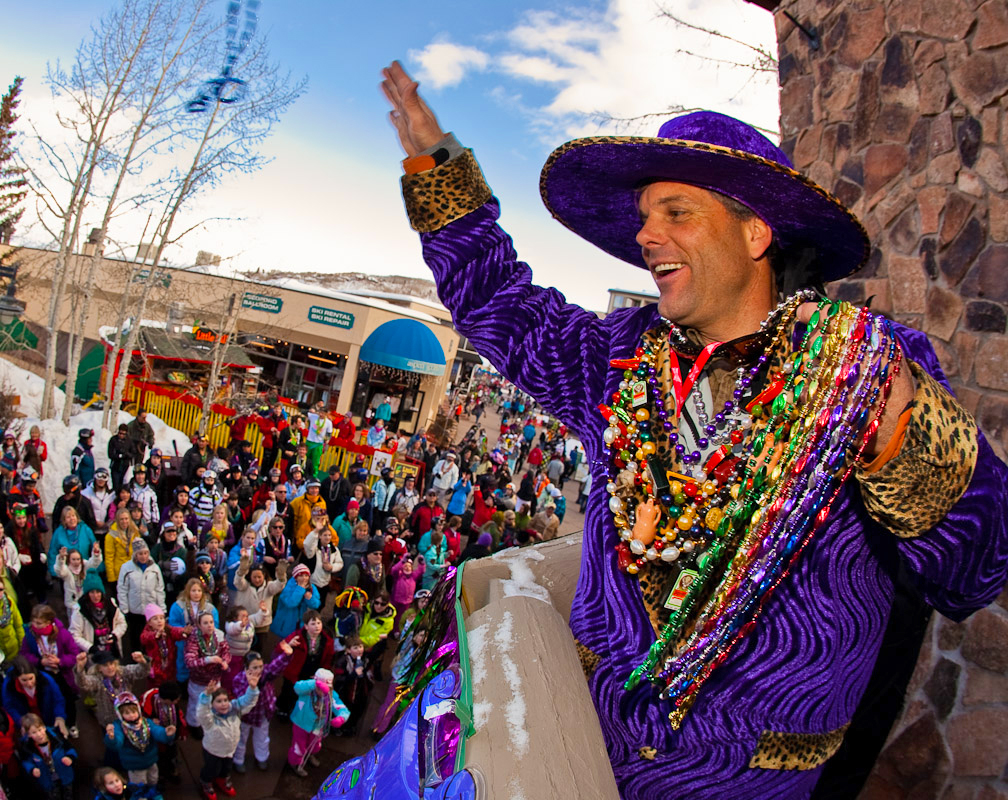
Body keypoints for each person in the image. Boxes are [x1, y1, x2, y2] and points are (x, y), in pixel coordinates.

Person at [382, 61, 1008, 795]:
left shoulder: (864, 371)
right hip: (589, 748)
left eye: (676, 211)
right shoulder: (618, 358)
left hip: (743, 782)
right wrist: (436, 166)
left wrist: (899, 440)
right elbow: (501, 306)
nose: (645, 235)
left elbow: (977, 572)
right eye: (645, 215)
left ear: (754, 233)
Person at [194, 672, 260, 799]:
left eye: (225, 700)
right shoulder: (210, 719)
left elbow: (247, 702)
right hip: (213, 750)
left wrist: (252, 688)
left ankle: (222, 779)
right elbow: (202, 713)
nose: (223, 704)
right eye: (218, 701)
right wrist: (206, 696)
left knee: (226, 767)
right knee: (211, 769)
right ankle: (206, 782)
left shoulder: (235, 710)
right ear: (211, 704)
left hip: (230, 750)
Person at [20, 605, 81, 738]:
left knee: (68, 699)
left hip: (62, 674)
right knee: (48, 700)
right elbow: (24, 654)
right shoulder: (30, 636)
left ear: (48, 622)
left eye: (39, 623)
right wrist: (39, 662)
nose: (35, 625)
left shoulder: (62, 634)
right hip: (42, 674)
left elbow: (74, 654)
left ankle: (71, 723)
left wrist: (60, 661)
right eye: (34, 622)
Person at [103, 692, 174, 788]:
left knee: (153, 779)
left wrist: (166, 733)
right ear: (120, 714)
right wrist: (112, 737)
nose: (132, 715)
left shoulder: (146, 722)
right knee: (139, 785)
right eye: (127, 713)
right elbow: (117, 744)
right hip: (134, 765)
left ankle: (153, 793)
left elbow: (157, 731)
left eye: (134, 712)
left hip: (151, 760)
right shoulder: (119, 726)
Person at [288, 668, 348, 777]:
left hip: (317, 727)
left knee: (315, 745)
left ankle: (310, 754)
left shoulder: (331, 695)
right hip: (301, 724)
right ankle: (296, 764)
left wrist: (341, 718)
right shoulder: (307, 691)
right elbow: (297, 687)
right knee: (299, 747)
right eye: (320, 688)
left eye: (328, 688)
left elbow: (342, 708)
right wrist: (314, 684)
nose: (323, 692)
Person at [275, 609, 334, 717]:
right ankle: (283, 709)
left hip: (312, 671)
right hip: (295, 671)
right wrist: (290, 644)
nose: (317, 626)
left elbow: (328, 659)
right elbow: (279, 648)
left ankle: (298, 712)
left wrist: (321, 673)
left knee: (307, 694)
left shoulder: (327, 641)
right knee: (288, 691)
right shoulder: (298, 636)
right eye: (313, 623)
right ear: (306, 626)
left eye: (319, 623)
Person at [75, 650, 150, 729]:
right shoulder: (97, 680)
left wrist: (142, 661)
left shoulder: (123, 672)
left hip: (130, 716)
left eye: (111, 664)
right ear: (99, 668)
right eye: (105, 665)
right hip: (110, 722)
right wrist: (80, 669)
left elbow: (142, 671)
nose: (110, 668)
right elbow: (84, 683)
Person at [117, 540, 165, 653]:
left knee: (152, 640)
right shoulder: (126, 568)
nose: (143, 556)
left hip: (151, 612)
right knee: (136, 639)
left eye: (145, 553)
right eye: (140, 554)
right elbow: (122, 589)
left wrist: (162, 608)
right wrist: (124, 609)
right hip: (135, 611)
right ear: (135, 554)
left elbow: (159, 589)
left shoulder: (155, 568)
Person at [18, 713, 76, 800]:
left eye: (40, 729)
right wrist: (32, 769)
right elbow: (26, 761)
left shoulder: (57, 736)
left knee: (69, 795)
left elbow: (70, 748)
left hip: (65, 774)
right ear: (29, 734)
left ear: (44, 727)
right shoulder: (27, 747)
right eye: (34, 732)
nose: (39, 734)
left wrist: (70, 757)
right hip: (47, 779)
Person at [69, 572, 127, 658]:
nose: (95, 596)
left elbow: (122, 623)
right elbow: (75, 634)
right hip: (93, 654)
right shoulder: (79, 610)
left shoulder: (111, 605)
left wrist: (115, 635)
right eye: (92, 592)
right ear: (87, 594)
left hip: (112, 651)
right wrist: (90, 648)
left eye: (98, 592)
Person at [269, 564, 320, 640]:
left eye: (306, 575)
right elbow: (291, 603)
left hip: (301, 623)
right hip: (287, 623)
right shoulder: (288, 587)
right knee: (285, 645)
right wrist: (300, 588)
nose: (304, 578)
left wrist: (310, 598)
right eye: (301, 576)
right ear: (295, 577)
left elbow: (316, 604)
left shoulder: (311, 588)